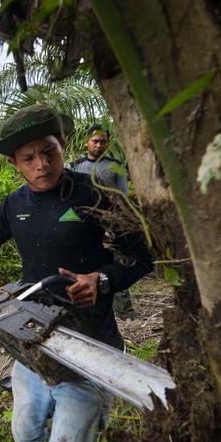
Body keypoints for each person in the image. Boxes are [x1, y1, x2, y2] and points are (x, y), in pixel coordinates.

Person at [0, 104, 153, 442]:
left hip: (90, 344)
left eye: (48, 151)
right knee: (25, 424)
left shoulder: (96, 197)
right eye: (28, 158)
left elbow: (141, 256)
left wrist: (100, 279)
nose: (41, 164)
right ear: (15, 164)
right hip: (33, 338)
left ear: (63, 145)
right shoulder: (14, 206)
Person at [68, 125, 136, 319]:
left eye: (103, 141)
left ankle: (125, 313)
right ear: (86, 143)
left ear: (107, 143)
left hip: (111, 223)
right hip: (83, 224)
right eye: (95, 141)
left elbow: (124, 196)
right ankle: (85, 310)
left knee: (115, 263)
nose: (98, 145)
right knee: (83, 265)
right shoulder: (75, 166)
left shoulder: (115, 165)